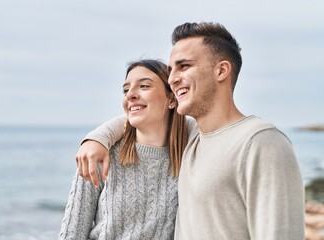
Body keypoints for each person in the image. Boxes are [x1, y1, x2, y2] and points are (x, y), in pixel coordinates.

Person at [76, 22, 305, 239]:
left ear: (221, 71)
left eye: (184, 66)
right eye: (172, 69)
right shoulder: (193, 141)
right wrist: (97, 138)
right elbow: (145, 119)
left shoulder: (260, 142)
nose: (173, 78)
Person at [59, 59, 194, 239]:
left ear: (171, 98)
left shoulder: (190, 155)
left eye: (144, 86)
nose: (130, 95)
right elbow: (72, 232)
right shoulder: (101, 154)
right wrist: (97, 138)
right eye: (126, 90)